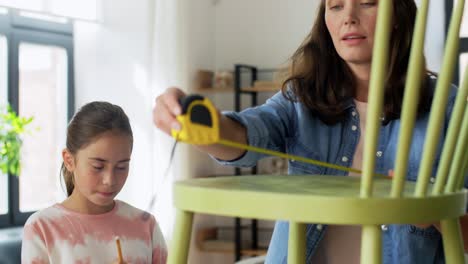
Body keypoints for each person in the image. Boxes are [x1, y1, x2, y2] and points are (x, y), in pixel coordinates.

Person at [153, 0, 468, 263]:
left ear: (398, 16)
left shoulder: (448, 107)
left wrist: (434, 213)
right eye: (336, 6)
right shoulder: (301, 99)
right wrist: (201, 124)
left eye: (368, 3)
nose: (349, 18)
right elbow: (244, 134)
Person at [22, 102, 167, 264]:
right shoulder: (42, 228)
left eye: (121, 167)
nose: (110, 180)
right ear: (69, 160)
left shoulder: (146, 226)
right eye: (98, 167)